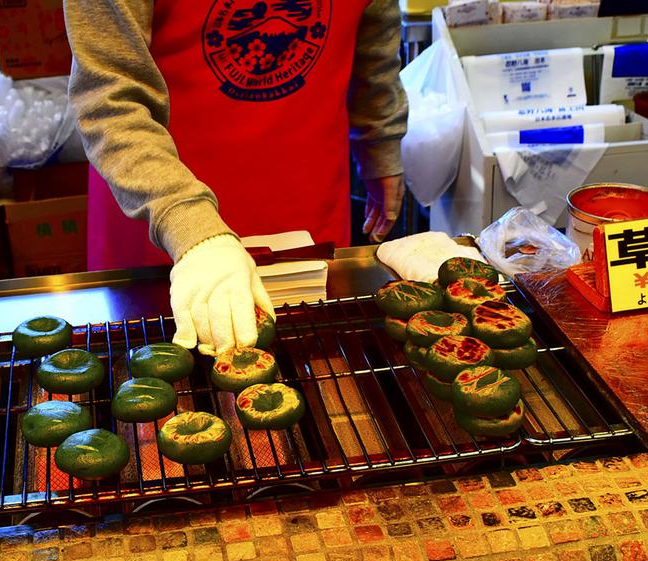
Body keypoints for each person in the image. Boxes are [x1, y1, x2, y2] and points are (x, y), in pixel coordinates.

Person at [64, 0, 408, 356]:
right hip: (158, 209)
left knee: (311, 363)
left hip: (302, 194)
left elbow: (375, 30)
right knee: (158, 378)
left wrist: (380, 142)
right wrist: (191, 230)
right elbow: (109, 96)